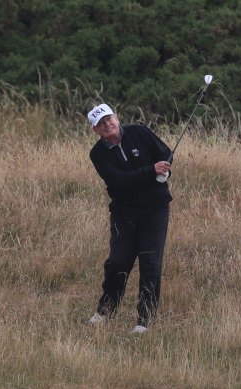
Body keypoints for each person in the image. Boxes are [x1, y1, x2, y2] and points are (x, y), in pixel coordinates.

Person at [87, 103, 172, 334]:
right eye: (101, 124)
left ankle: (144, 320)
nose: (107, 125)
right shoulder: (97, 154)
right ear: (95, 130)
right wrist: (150, 171)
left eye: (109, 119)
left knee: (150, 263)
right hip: (124, 213)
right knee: (118, 262)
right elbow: (118, 180)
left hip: (155, 209)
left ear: (116, 117)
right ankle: (106, 310)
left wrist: (165, 169)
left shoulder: (139, 132)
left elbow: (164, 152)